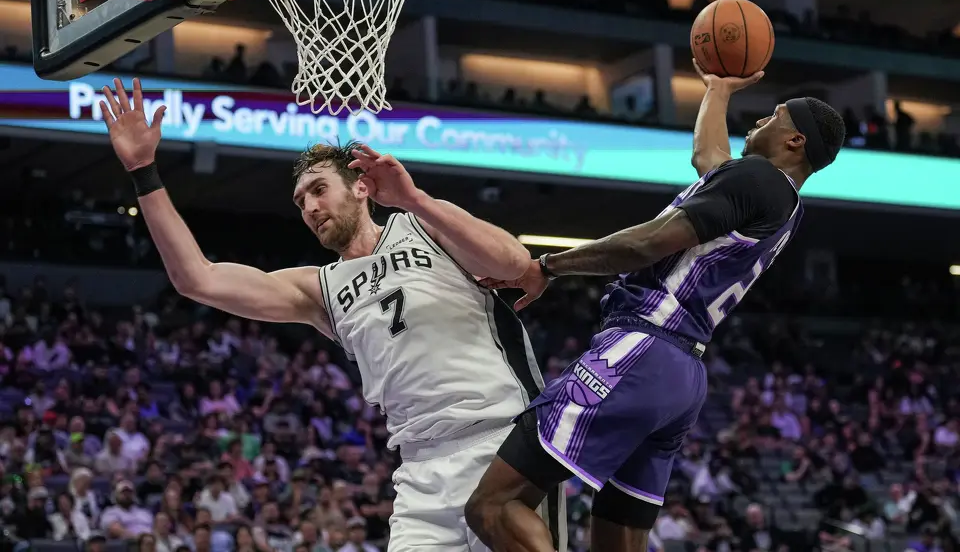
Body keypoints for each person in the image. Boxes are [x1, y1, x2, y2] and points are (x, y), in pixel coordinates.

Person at [97, 78, 565, 552]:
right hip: (420, 471)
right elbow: (196, 278)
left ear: (362, 186)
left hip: (503, 444)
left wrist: (412, 198)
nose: (311, 207)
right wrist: (143, 171)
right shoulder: (318, 287)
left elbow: (514, 263)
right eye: (301, 201)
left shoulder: (422, 224)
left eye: (319, 190)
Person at [465, 62, 846, 551]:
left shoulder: (758, 179)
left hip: (642, 349)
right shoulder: (780, 201)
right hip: (683, 377)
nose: (758, 123)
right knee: (617, 540)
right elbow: (708, 155)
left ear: (795, 141)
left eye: (772, 117)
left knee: (494, 505)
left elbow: (650, 243)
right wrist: (716, 90)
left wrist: (549, 266)